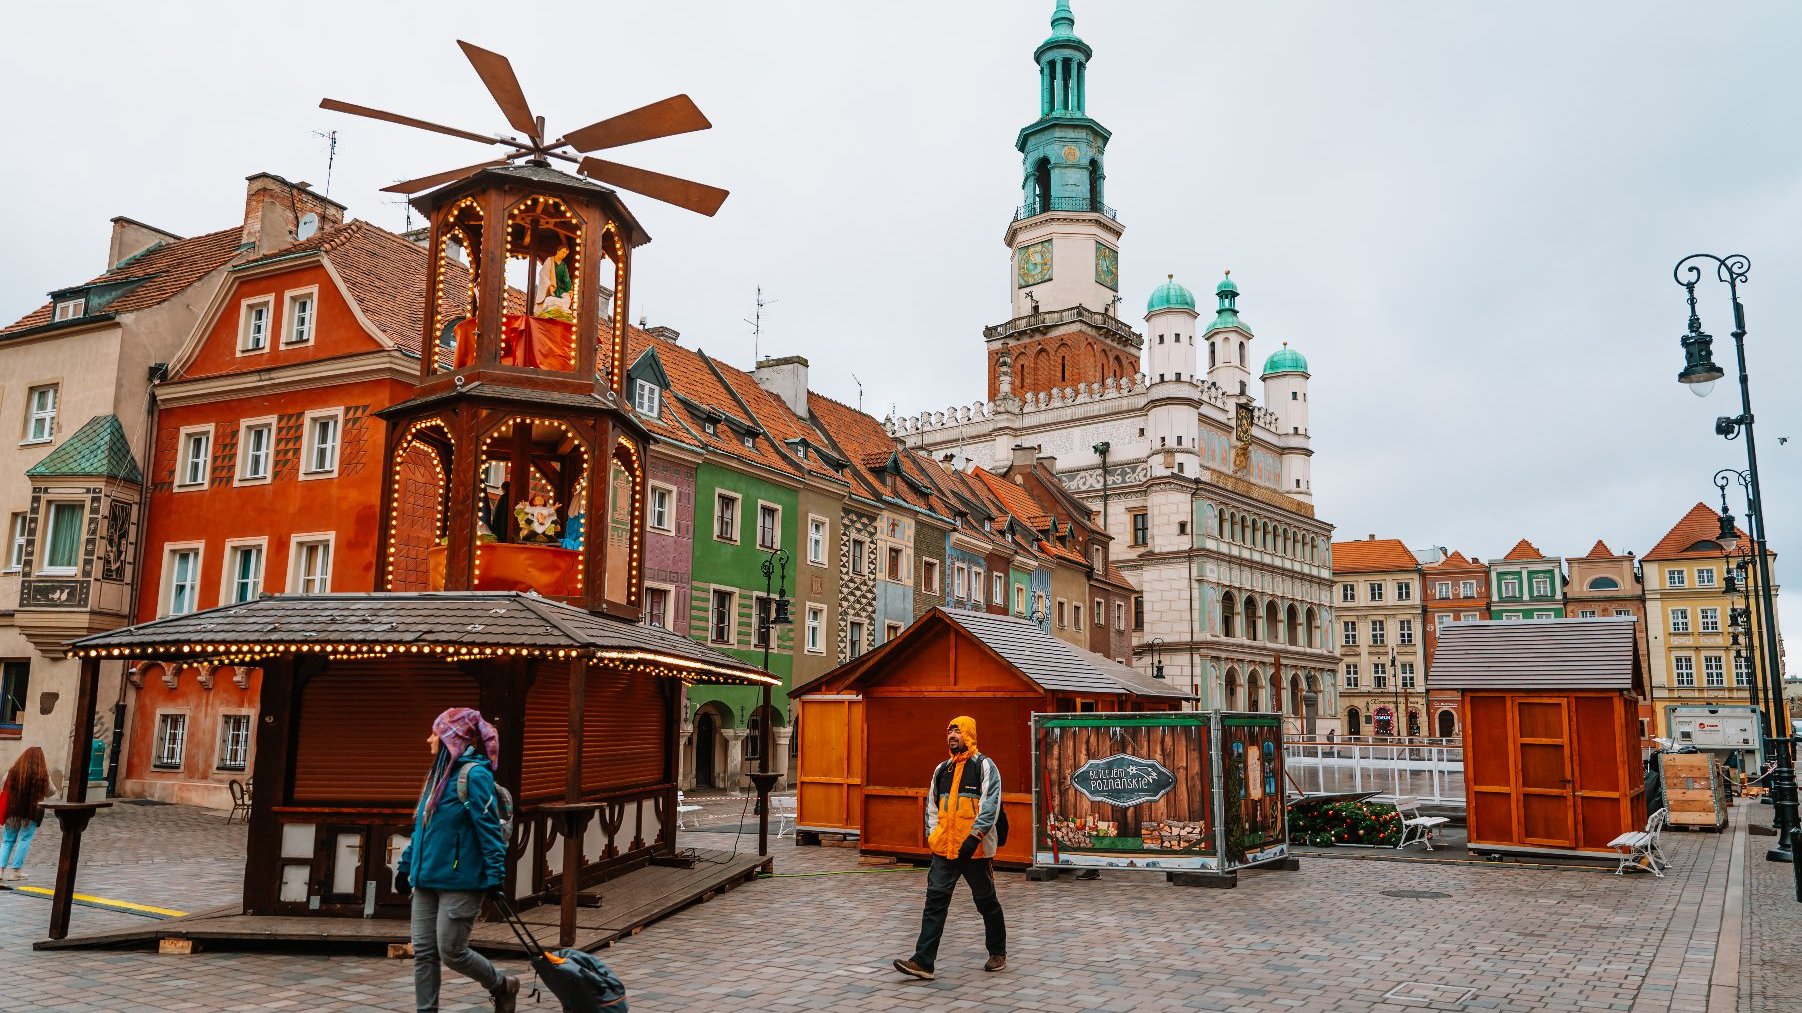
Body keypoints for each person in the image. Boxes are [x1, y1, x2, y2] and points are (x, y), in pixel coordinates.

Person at [395, 708, 520, 1013]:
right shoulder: (438, 776)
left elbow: (488, 828)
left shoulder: (473, 775)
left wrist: (495, 875)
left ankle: (502, 984)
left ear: (451, 737)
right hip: (425, 880)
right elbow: (423, 829)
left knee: (452, 951)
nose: (429, 739)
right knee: (424, 952)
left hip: (461, 880)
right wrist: (405, 866)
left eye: (435, 733)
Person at [894, 716, 1007, 981]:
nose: (952, 735)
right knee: (934, 902)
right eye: (949, 731)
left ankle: (998, 952)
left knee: (986, 902)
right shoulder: (941, 770)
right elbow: (932, 808)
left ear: (969, 734)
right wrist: (933, 837)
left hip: (976, 851)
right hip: (944, 851)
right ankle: (923, 962)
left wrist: (974, 838)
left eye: (957, 731)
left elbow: (991, 805)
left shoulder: (985, 767)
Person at [1, 746, 54, 881]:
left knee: (7, 840)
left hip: (12, 809)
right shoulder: (42, 774)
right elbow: (51, 791)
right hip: (31, 811)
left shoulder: (12, 771)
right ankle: (16, 872)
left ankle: (0, 872)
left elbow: (3, 785)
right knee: (24, 839)